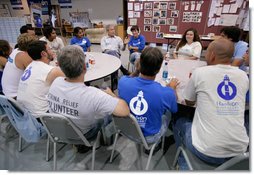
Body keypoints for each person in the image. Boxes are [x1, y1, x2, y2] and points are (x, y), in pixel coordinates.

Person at [173, 38, 249, 170]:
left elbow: (189, 102)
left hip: (206, 151)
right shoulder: (243, 76)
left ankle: (183, 161)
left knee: (178, 118)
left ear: (212, 55)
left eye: (207, 52)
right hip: (239, 153)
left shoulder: (200, 72)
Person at [47, 45, 130, 151]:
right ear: (85, 68)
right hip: (84, 134)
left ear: (60, 67)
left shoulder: (55, 82)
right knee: (106, 115)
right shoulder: (93, 94)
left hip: (60, 131)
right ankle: (103, 141)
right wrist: (112, 94)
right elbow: (125, 111)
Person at [118, 47, 178, 144]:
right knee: (169, 113)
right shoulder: (166, 93)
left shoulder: (122, 82)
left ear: (139, 64)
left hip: (125, 130)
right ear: (159, 70)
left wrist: (136, 71)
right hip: (149, 138)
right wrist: (173, 89)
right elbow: (174, 110)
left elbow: (129, 77)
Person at [17, 40, 64, 116]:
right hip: (41, 116)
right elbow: (74, 77)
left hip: (24, 113)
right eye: (49, 49)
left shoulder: (30, 65)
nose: (52, 51)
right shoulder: (50, 70)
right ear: (43, 53)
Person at [1, 33, 37, 99]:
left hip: (6, 92)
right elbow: (37, 75)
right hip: (14, 96)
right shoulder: (24, 56)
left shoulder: (16, 50)